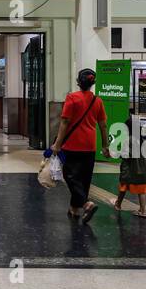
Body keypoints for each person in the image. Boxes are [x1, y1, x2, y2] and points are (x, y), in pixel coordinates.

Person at [48, 68, 108, 222]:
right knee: (84, 179)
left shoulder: (72, 98)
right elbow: (103, 125)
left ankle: (86, 204)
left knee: (70, 176)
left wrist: (57, 144)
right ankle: (75, 209)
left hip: (72, 145)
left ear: (78, 82)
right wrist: (105, 146)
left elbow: (65, 122)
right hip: (89, 145)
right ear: (92, 83)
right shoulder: (97, 101)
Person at [114, 110, 146, 218]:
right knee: (141, 191)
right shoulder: (142, 140)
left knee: (123, 186)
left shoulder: (129, 140)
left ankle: (118, 204)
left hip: (131, 170)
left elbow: (126, 155)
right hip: (142, 170)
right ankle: (143, 211)